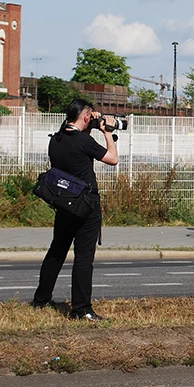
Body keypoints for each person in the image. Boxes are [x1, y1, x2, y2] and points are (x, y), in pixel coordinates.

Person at [32, 99, 118, 321]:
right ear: (87, 118)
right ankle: (81, 309)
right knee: (83, 258)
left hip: (63, 203)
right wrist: (108, 132)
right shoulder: (83, 141)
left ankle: (41, 299)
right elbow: (113, 159)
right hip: (86, 205)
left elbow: (75, 142)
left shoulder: (57, 139)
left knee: (56, 252)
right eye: (90, 116)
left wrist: (90, 123)